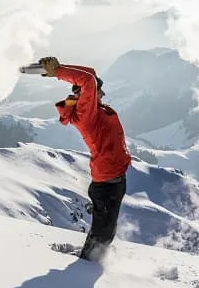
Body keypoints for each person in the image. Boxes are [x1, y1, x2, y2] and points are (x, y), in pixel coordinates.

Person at [39, 56, 131, 261]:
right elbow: (88, 80)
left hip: (115, 180)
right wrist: (59, 72)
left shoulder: (96, 110)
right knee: (103, 231)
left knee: (108, 229)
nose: (103, 93)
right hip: (107, 183)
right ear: (85, 97)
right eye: (99, 91)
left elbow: (91, 74)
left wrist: (60, 68)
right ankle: (87, 263)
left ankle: (97, 257)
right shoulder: (86, 116)